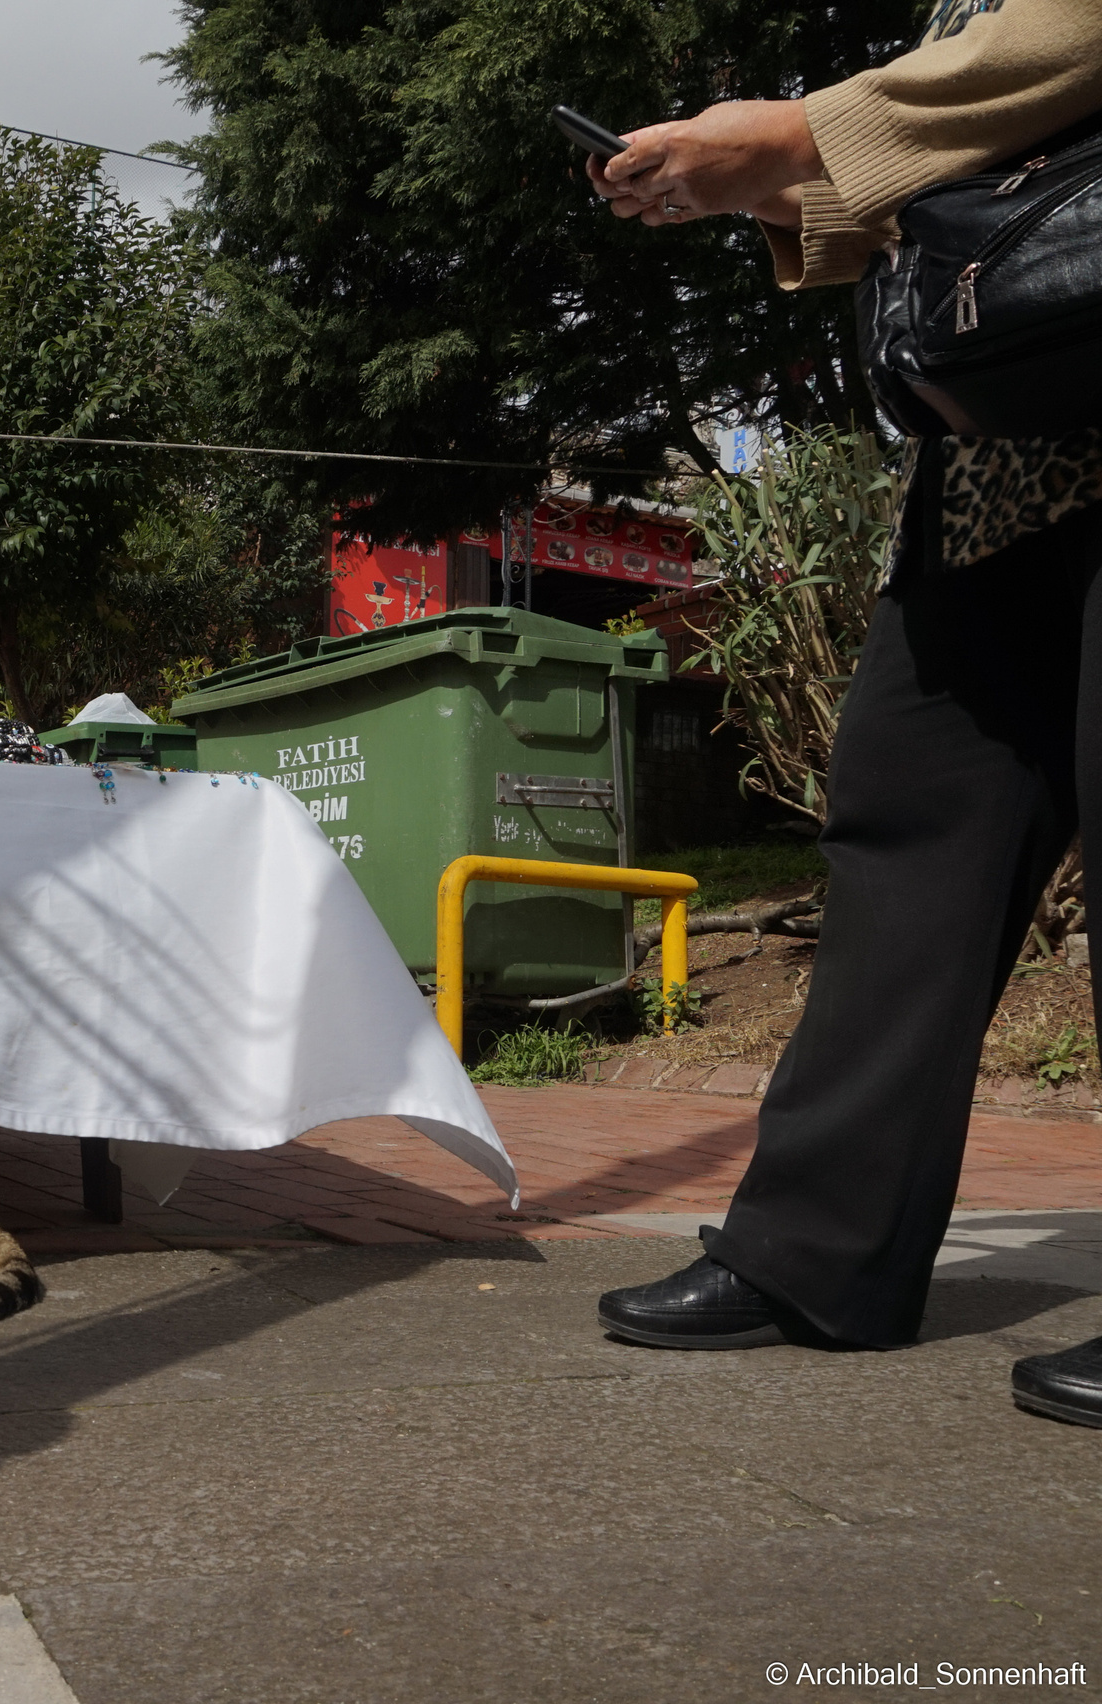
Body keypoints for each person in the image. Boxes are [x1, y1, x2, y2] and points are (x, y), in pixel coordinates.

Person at [582, 0, 1102, 1429]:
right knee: (904, 820)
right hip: (1008, 460)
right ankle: (819, 1256)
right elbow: (990, 171)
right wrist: (773, 186)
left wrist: (807, 131)